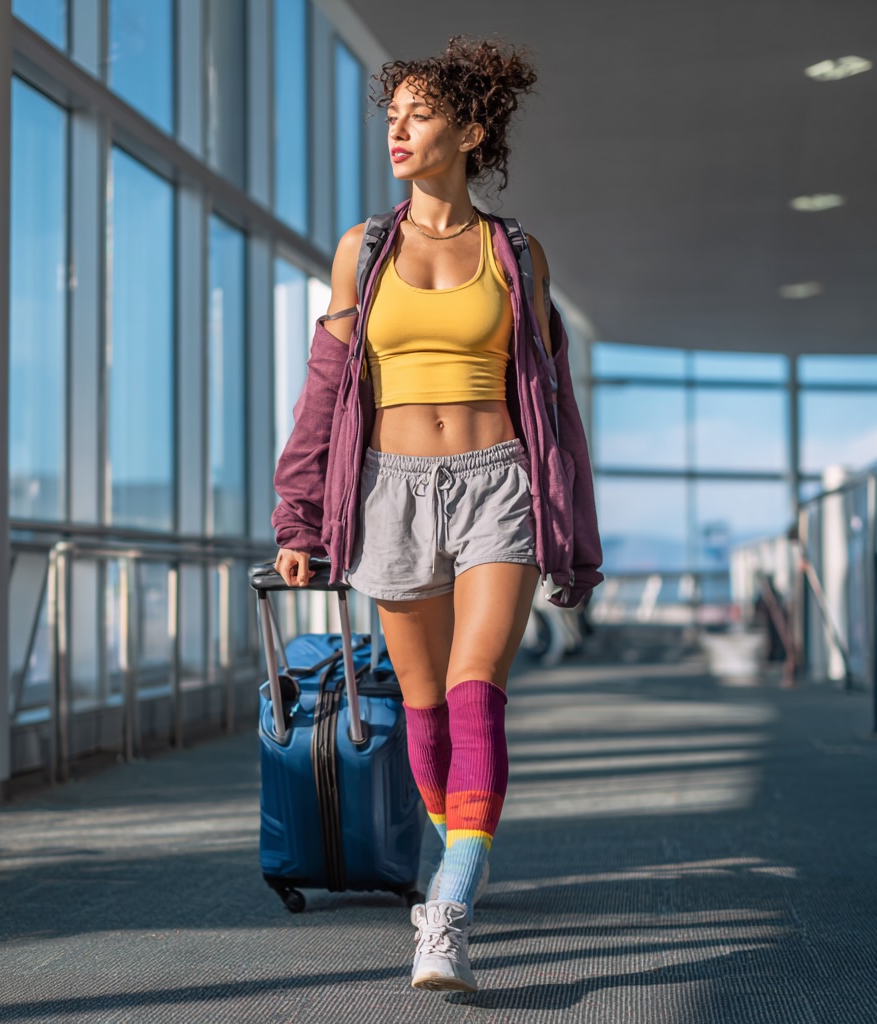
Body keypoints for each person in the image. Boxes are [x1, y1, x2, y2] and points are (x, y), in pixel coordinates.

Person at [272, 37, 602, 992]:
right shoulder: (363, 251)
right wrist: (299, 520)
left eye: (419, 114)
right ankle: (464, 845)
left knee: (474, 685)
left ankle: (449, 902)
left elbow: (554, 408)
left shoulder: (515, 253)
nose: (398, 131)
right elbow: (325, 393)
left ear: (472, 130)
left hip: (498, 481)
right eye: (392, 116)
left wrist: (571, 531)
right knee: (421, 707)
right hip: (389, 490)